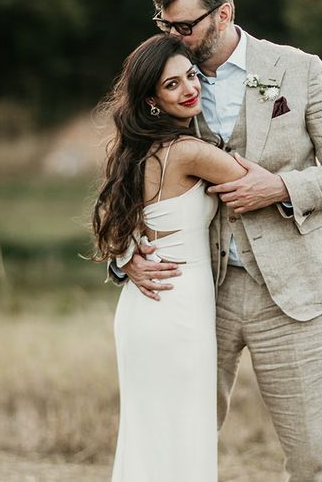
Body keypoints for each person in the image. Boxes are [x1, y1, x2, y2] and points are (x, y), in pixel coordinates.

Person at [112, 0, 322, 482]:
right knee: (179, 442)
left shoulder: (299, 70)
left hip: (294, 292)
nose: (174, 38)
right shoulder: (165, 81)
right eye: (165, 26)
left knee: (311, 460)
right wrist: (125, 257)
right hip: (199, 292)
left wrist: (280, 186)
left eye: (185, 26)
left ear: (224, 13)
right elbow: (125, 178)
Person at [93, 34, 251, 482]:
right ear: (152, 101)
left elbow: (109, 212)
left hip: (150, 307)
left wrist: (126, 257)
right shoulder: (189, 153)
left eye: (191, 76)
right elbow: (261, 184)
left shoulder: (136, 151)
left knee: (154, 439)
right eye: (172, 85)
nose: (189, 89)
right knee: (181, 437)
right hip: (175, 309)